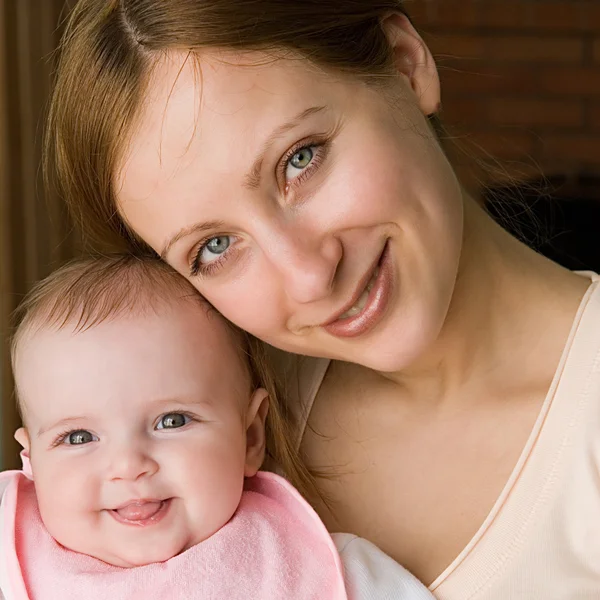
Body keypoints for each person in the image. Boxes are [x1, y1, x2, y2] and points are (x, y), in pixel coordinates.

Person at [46, 1, 600, 597]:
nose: (309, 277)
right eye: (213, 247)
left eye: (299, 160)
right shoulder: (191, 435)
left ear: (406, 63)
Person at [1, 255, 434, 600]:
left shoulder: (312, 563)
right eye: (78, 437)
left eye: (171, 421)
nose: (128, 466)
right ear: (32, 460)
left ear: (250, 438)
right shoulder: (16, 570)